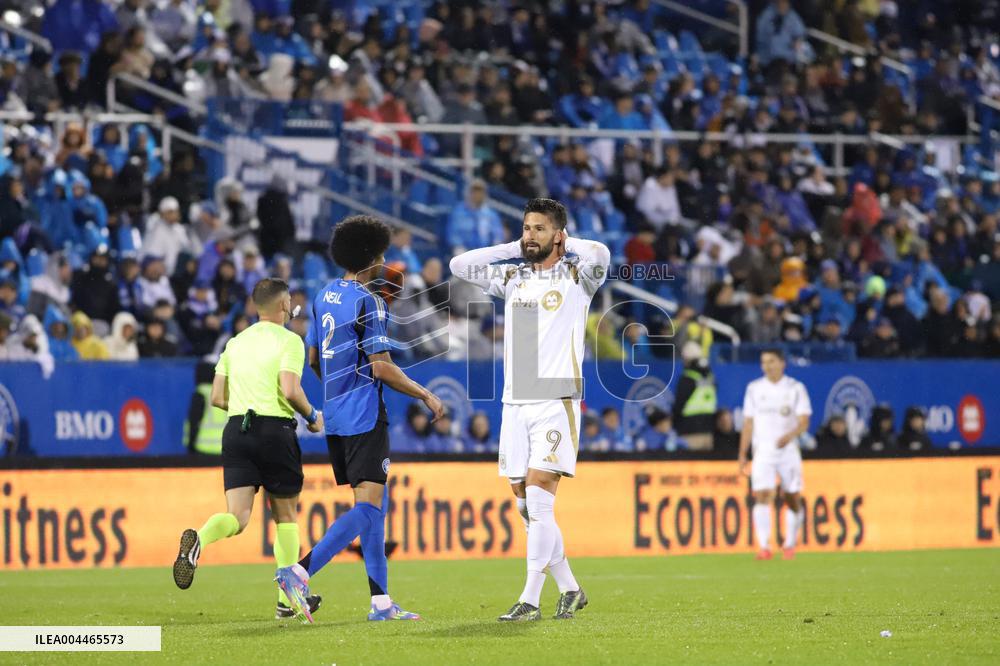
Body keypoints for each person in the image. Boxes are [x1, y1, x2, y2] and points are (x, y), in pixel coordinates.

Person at [275, 215, 443, 623]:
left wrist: (338, 389)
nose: (385, 261)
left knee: (372, 505)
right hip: (366, 413)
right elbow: (382, 367)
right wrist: (424, 394)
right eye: (382, 255)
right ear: (370, 258)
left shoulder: (323, 295)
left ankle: (381, 603)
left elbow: (313, 358)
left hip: (335, 414)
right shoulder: (370, 301)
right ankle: (299, 572)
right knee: (368, 510)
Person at [450, 198, 610, 621]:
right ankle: (571, 589)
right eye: (526, 228)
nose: (530, 235)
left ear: (559, 234)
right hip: (514, 403)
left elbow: (602, 253)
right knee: (525, 507)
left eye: (539, 229)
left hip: (556, 400)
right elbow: (459, 265)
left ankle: (530, 600)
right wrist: (513, 247)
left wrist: (564, 240)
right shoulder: (513, 279)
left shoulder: (579, 276)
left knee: (539, 503)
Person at [172, 278, 325, 624]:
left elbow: (216, 398)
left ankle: (200, 539)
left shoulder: (235, 343)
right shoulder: (290, 341)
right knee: (285, 517)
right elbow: (289, 389)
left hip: (237, 430)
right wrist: (313, 416)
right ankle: (287, 600)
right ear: (284, 305)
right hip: (275, 431)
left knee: (238, 518)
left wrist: (245, 406)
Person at [738, 348, 812, 560]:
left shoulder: (795, 388)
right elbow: (748, 423)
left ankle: (789, 544)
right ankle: (764, 547)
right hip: (763, 451)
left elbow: (804, 421)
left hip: (787, 451)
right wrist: (742, 454)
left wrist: (790, 436)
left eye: (771, 361)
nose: (767, 366)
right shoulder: (754, 388)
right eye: (763, 362)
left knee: (792, 498)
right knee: (762, 495)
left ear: (782, 363)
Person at [671, 341, 717, 450]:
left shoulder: (687, 378)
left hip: (689, 432)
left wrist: (675, 424)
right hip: (708, 430)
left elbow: (678, 405)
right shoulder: (710, 378)